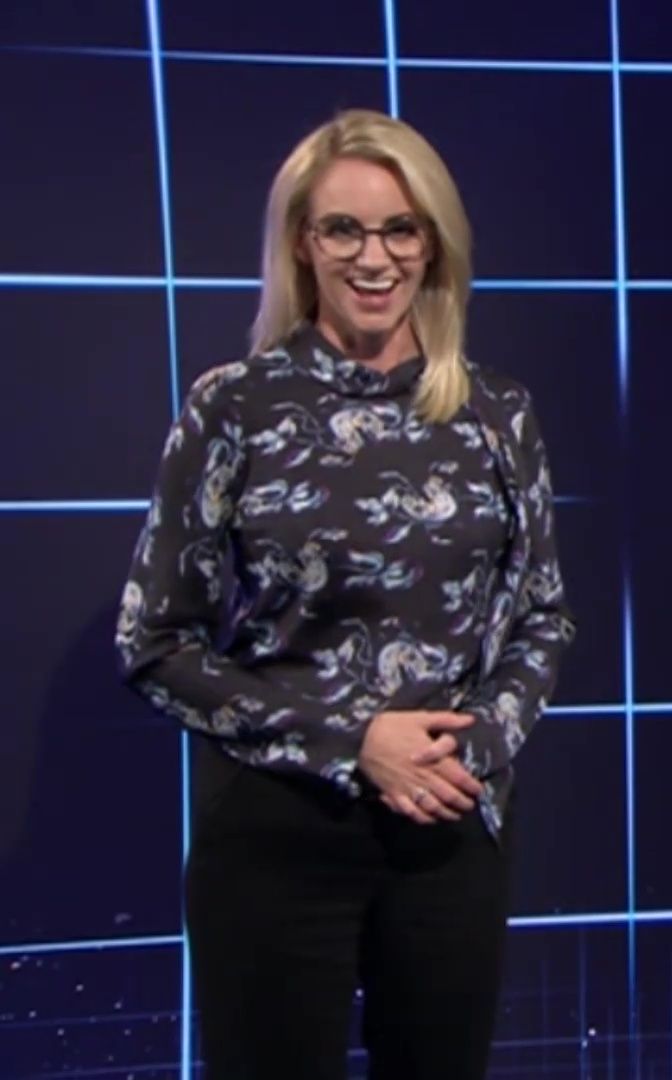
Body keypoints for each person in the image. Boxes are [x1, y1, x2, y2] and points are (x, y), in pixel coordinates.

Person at [113, 107, 575, 1079]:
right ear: (302, 244)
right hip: (277, 837)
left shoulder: (497, 412)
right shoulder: (235, 406)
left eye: (401, 229)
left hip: (448, 825)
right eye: (344, 230)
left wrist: (471, 750)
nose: (375, 257)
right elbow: (156, 644)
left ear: (433, 244)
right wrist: (355, 739)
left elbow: (541, 615)